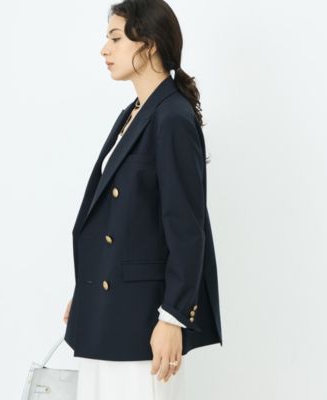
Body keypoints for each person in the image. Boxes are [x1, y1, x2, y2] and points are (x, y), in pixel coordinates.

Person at [63, 1, 223, 399]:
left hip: (143, 321)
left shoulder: (172, 117)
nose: (105, 49)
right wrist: (87, 288)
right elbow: (120, 220)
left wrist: (173, 317)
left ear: (148, 45)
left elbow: (186, 229)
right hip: (108, 310)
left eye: (116, 38)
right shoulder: (134, 113)